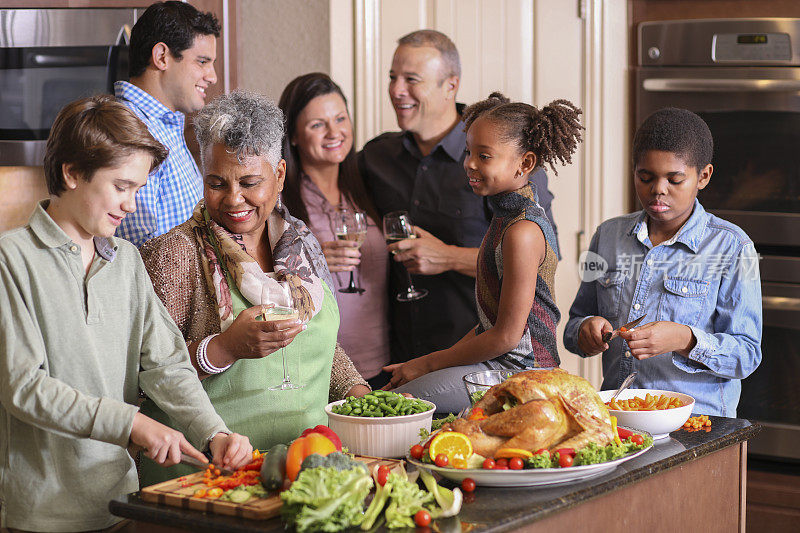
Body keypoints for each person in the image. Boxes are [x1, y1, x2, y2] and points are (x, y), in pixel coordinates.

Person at [0, 96, 251, 532]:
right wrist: (131, 423)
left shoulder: (127, 261)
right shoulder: (11, 259)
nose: (131, 205)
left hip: (120, 504)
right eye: (121, 186)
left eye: (138, 189)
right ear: (72, 173)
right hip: (40, 515)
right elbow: (24, 387)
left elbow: (167, 365)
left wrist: (214, 433)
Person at [138, 91, 372, 485]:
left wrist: (358, 392)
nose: (233, 199)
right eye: (216, 182)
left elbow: (318, 343)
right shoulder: (173, 255)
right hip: (209, 477)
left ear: (279, 174)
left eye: (249, 182)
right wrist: (225, 347)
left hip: (306, 466)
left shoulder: (302, 244)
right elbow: (144, 376)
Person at [359, 29, 560, 366]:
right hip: (399, 351)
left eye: (411, 79)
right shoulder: (376, 157)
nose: (396, 90)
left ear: (450, 85)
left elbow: (544, 259)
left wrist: (448, 257)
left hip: (479, 359)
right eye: (393, 78)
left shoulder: (505, 160)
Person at [384, 93, 583, 414]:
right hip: (496, 365)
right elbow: (488, 325)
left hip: (524, 374)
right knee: (403, 391)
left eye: (484, 156)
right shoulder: (504, 220)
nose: (469, 164)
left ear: (526, 163)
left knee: (400, 405)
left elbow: (506, 337)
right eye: (468, 152)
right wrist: (426, 364)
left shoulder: (522, 231)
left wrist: (426, 364)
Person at [563, 108, 762, 417]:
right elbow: (574, 325)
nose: (658, 189)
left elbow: (747, 355)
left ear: (703, 176)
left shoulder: (733, 247)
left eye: (674, 179)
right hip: (619, 417)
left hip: (698, 423)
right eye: (646, 177)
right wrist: (586, 331)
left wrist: (685, 338)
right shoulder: (608, 235)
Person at [279, 73, 391, 389]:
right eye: (318, 125)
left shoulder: (366, 186)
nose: (334, 132)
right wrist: (310, 261)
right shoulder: (281, 199)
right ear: (295, 136)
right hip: (320, 368)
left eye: (340, 118)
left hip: (383, 362)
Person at [114, 1, 220, 246]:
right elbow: (142, 256)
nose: (212, 76)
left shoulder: (164, 125)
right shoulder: (130, 131)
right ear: (162, 57)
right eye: (202, 62)